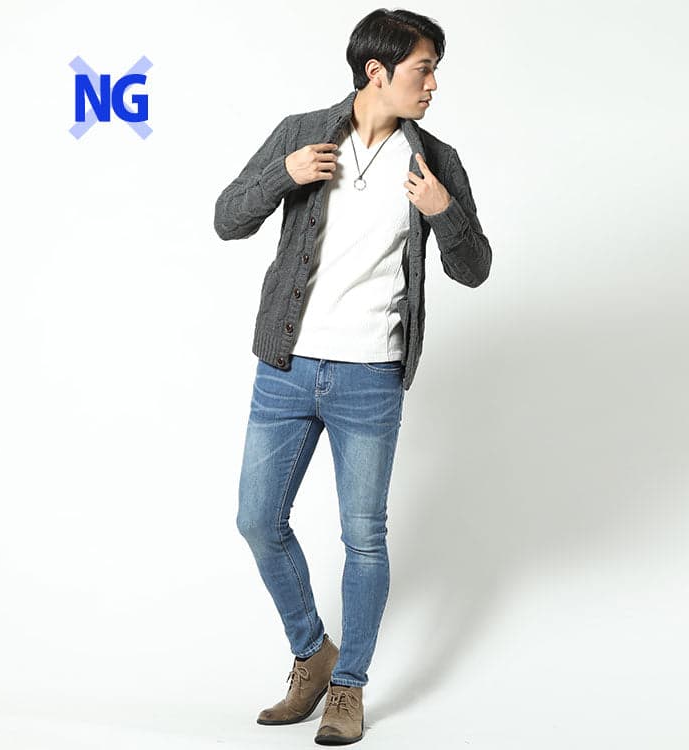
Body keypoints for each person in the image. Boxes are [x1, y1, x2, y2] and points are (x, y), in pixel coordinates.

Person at [213, 8, 492, 745]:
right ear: (377, 72)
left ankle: (348, 686)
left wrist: (444, 211)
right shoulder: (303, 133)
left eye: (434, 70)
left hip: (370, 377)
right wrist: (284, 174)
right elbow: (227, 218)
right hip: (286, 366)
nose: (433, 84)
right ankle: (313, 653)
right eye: (423, 69)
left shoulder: (436, 160)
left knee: (363, 537)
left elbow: (474, 268)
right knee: (257, 520)